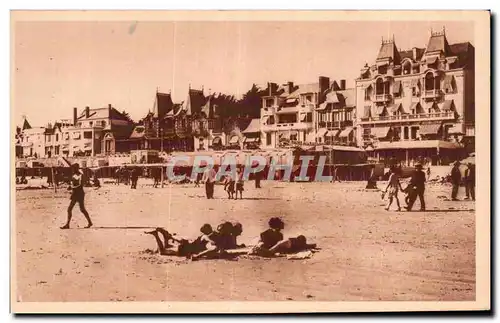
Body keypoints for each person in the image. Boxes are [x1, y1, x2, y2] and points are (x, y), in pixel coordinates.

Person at [60, 163, 93, 229]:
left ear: (76, 168)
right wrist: (70, 186)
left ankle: (68, 224)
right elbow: (73, 183)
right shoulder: (74, 175)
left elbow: (80, 184)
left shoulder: (80, 175)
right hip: (75, 193)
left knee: (80, 209)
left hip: (79, 193)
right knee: (72, 209)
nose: (72, 169)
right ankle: (68, 224)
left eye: (73, 168)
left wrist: (72, 186)